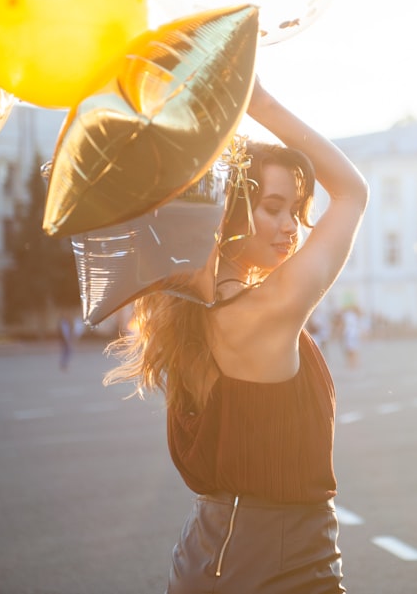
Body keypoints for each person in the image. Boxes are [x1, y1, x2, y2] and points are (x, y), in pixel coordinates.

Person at [105, 77, 369, 594]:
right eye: (274, 207)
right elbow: (354, 192)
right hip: (282, 560)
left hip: (208, 552)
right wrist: (260, 101)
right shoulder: (267, 308)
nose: (292, 226)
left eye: (296, 209)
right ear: (230, 214)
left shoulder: (180, 306)